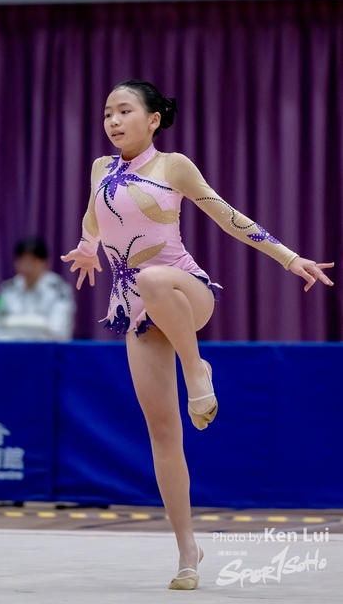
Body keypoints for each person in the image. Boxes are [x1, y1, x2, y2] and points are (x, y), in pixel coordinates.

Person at [61, 80, 334, 589]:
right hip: (136, 311)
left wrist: (289, 257)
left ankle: (196, 369)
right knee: (164, 436)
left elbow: (229, 218)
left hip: (185, 291)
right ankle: (188, 549)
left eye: (124, 111)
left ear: (153, 119)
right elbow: (93, 217)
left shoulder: (173, 166)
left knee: (152, 278)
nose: (113, 121)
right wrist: (86, 246)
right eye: (108, 113)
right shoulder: (101, 168)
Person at [0, 237, 75, 341]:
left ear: (45, 262)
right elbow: (0, 328)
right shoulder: (8, 289)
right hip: (14, 347)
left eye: (33, 261)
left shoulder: (59, 290)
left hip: (48, 348)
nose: (27, 267)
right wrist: (41, 325)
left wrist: (16, 325)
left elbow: (58, 331)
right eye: (23, 261)